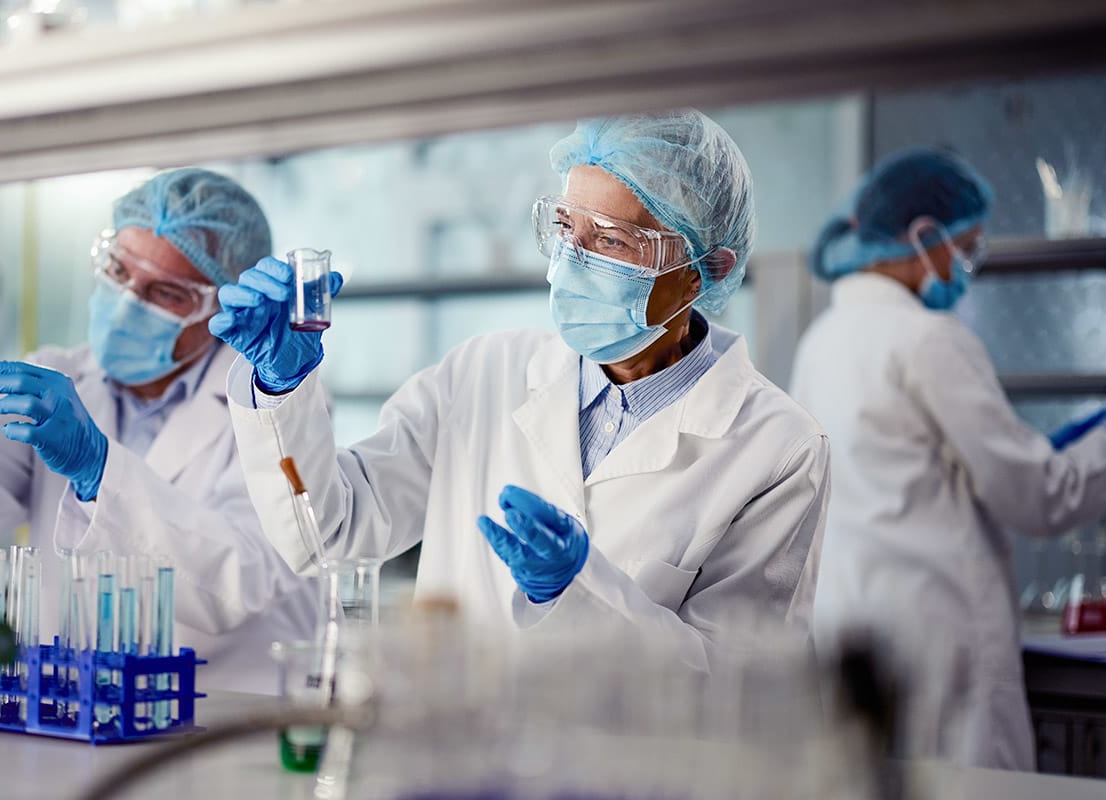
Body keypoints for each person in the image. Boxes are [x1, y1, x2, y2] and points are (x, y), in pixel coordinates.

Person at [209, 111, 830, 670]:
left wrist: (578, 592)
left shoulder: (778, 448)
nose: (570, 261)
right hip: (449, 762)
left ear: (708, 270)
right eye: (566, 228)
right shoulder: (484, 372)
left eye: (611, 240)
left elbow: (741, 688)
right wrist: (281, 388)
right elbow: (332, 535)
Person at [0, 168, 317, 693]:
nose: (127, 301)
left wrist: (98, 470)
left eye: (167, 293)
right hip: (72, 712)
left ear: (224, 308)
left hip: (221, 719)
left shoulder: (275, 403)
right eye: (119, 270)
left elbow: (244, 580)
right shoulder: (61, 377)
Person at [790, 148, 1106, 770]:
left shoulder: (824, 341)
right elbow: (1043, 498)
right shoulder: (929, 338)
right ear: (924, 236)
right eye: (965, 246)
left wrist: (1049, 451)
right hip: (941, 646)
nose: (968, 265)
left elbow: (915, 467)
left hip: (854, 635)